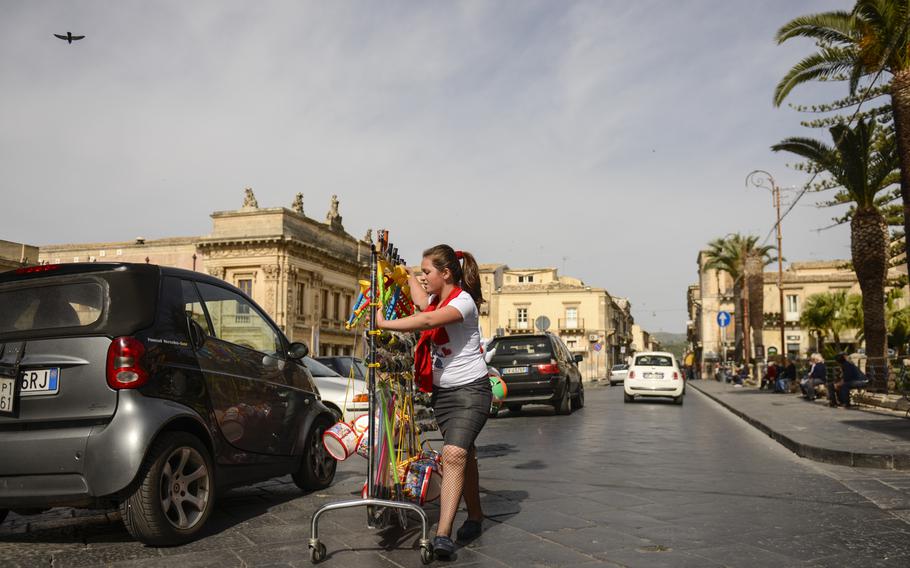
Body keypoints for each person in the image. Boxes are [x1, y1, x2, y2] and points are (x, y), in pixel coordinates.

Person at [374, 244, 491, 559]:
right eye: (422, 272)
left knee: (453, 454)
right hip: (443, 395)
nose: (424, 277)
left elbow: (427, 321)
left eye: (427, 272)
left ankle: (442, 535)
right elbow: (419, 299)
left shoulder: (463, 302)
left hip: (471, 391)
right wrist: (402, 272)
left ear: (446, 273)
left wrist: (383, 325)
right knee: (466, 454)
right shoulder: (437, 299)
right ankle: (476, 515)